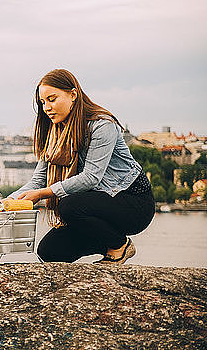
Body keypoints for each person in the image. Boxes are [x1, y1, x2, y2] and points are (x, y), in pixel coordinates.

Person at [8, 69, 154, 264]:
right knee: (49, 251)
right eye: (43, 102)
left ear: (73, 94)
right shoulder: (54, 133)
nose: (47, 108)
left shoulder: (102, 125)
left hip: (132, 202)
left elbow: (91, 178)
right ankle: (107, 245)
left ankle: (120, 246)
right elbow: (38, 180)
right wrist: (8, 202)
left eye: (52, 99)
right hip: (93, 206)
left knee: (69, 205)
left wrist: (43, 194)